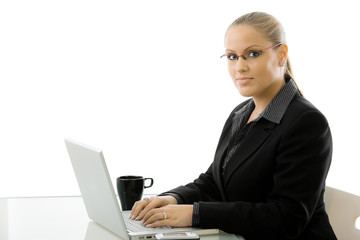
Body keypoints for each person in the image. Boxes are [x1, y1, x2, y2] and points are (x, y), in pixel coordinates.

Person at [130, 12, 337, 240]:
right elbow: (214, 182)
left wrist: (195, 214)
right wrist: (173, 198)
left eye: (252, 54)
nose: (240, 67)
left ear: (281, 54)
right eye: (232, 56)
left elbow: (286, 218)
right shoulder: (241, 113)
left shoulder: (306, 123)